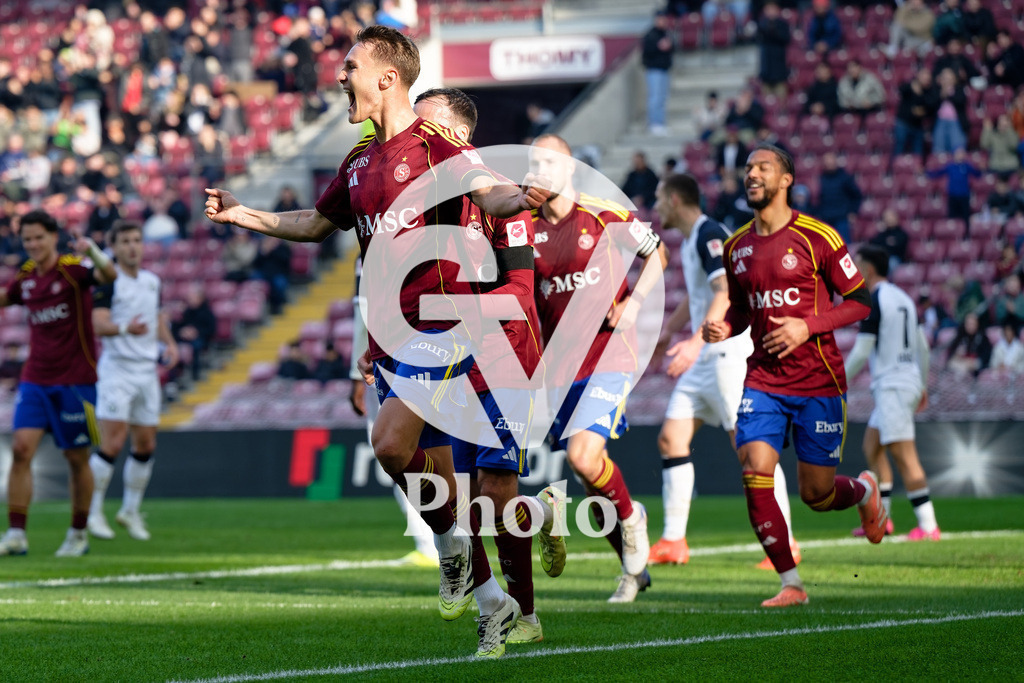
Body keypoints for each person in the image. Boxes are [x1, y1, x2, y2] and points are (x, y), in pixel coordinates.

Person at [204, 25, 548, 659]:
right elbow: (313, 224)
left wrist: (518, 194)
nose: (341, 76)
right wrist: (241, 213)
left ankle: (453, 555)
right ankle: (493, 605)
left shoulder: (436, 142)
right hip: (391, 338)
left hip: (448, 330)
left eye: (351, 65)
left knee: (389, 445)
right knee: (430, 483)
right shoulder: (358, 162)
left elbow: (487, 191)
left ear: (388, 77)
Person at [702, 144, 883, 608]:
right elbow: (742, 313)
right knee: (754, 467)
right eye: (747, 168)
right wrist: (726, 326)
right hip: (763, 379)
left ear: (786, 180)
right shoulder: (736, 246)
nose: (752, 174)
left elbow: (860, 301)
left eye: (763, 167)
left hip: (818, 381)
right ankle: (791, 583)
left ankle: (863, 491)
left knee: (816, 495)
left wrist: (807, 325)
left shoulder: (817, 236)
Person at [411, 87, 556, 645]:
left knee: (493, 495)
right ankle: (511, 613)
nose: (412, 135)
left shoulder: (495, 192)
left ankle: (527, 598)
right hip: (451, 360)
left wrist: (456, 310)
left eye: (424, 124)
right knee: (467, 505)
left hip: (503, 356)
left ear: (456, 131)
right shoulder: (421, 199)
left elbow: (522, 290)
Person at [530, 133, 667, 603]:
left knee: (585, 459)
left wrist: (634, 306)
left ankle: (631, 523)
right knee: (592, 482)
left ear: (569, 169)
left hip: (610, 356)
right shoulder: (524, 227)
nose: (539, 171)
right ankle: (634, 566)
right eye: (533, 163)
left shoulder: (602, 213)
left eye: (548, 162)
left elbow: (656, 254)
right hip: (560, 370)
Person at [648, 173, 800, 569]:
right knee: (671, 439)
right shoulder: (691, 239)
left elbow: (725, 293)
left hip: (727, 355)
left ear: (676, 200)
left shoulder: (709, 234)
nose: (656, 206)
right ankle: (673, 541)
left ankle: (787, 541)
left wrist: (695, 342)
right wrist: (668, 332)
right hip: (706, 360)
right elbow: (699, 296)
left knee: (752, 450)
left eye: (660, 197)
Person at [0, 209, 117, 557]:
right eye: (27, 240)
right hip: (36, 378)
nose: (33, 244)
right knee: (21, 451)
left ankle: (78, 534)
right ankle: (16, 534)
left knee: (76, 458)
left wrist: (93, 250)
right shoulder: (27, 276)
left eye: (39, 237)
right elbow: (7, 297)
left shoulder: (72, 269)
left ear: (53, 236)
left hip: (76, 381)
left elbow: (108, 275)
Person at [87, 221, 179, 542]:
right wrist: (127, 329)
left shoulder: (151, 281)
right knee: (112, 442)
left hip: (146, 370)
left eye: (137, 240)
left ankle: (130, 509)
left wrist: (169, 342)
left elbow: (155, 317)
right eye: (125, 241)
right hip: (117, 369)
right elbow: (98, 325)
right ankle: (93, 510)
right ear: (113, 247)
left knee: (146, 444)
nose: (132, 247)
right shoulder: (106, 280)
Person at [845, 244, 937, 542]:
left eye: (857, 265)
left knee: (904, 455)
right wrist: (921, 384)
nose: (854, 271)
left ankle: (928, 525)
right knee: (873, 447)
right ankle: (881, 519)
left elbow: (861, 351)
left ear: (869, 270)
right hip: (905, 382)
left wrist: (836, 380)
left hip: (893, 385)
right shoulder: (904, 299)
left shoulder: (874, 299)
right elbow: (923, 346)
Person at [927, 147, 980, 231]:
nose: (960, 155)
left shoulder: (966, 166)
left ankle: (966, 234)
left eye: (962, 153)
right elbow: (938, 173)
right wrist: (927, 173)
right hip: (953, 196)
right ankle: (952, 233)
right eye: (958, 153)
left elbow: (977, 174)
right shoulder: (950, 166)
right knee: (952, 216)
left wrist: (982, 169)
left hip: (964, 195)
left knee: (965, 216)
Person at [814, 152, 862, 244]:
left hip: (841, 218)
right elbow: (819, 199)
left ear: (836, 162)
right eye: (827, 163)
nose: (829, 164)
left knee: (843, 246)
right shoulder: (821, 178)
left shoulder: (845, 177)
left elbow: (856, 195)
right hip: (826, 218)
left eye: (831, 162)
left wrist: (853, 211)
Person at [172, 284, 217, 382]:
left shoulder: (207, 313)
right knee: (173, 347)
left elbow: (211, 329)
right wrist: (183, 332)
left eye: (192, 298)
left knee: (195, 346)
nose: (190, 300)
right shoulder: (187, 312)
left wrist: (196, 332)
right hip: (184, 339)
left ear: (200, 298)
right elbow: (179, 326)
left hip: (201, 339)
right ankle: (175, 378)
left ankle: (195, 374)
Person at [893, 68, 938, 160]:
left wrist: (920, 94)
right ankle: (895, 169)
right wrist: (912, 87)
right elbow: (900, 90)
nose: (926, 80)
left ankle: (916, 171)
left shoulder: (930, 91)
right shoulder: (910, 85)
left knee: (918, 152)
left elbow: (932, 106)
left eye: (928, 78)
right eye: (924, 77)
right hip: (903, 123)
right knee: (899, 149)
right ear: (918, 77)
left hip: (918, 126)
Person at [642, 11, 674, 136]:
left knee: (662, 97)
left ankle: (660, 122)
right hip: (654, 70)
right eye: (660, 19)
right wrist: (658, 46)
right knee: (654, 98)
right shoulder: (650, 35)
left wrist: (669, 46)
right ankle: (653, 123)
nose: (663, 21)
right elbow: (647, 52)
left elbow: (671, 49)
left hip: (664, 69)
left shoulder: (666, 34)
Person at [756, 2, 791, 97]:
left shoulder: (783, 24)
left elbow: (786, 39)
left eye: (772, 9)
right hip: (766, 70)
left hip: (779, 69)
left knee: (781, 101)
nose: (770, 12)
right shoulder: (761, 24)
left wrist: (773, 31)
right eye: (768, 9)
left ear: (777, 10)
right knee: (766, 102)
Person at [837, 60, 885, 124]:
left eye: (854, 67)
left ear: (860, 67)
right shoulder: (844, 81)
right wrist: (847, 104)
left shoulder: (870, 78)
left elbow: (881, 95)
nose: (852, 70)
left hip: (868, 110)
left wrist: (871, 101)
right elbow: (840, 98)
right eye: (850, 68)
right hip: (851, 110)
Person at [945, 311, 991, 377]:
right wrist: (957, 354)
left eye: (973, 324)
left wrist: (973, 361)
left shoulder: (982, 337)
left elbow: (985, 356)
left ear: (977, 324)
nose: (970, 326)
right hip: (961, 362)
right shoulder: (960, 336)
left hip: (974, 364)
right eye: (968, 324)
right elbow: (951, 353)